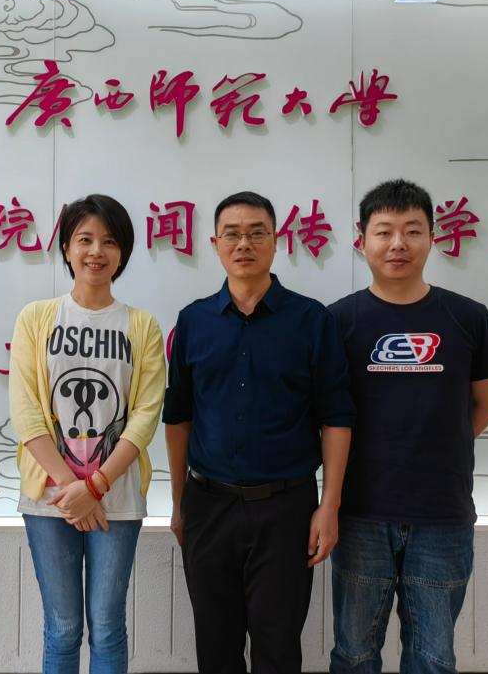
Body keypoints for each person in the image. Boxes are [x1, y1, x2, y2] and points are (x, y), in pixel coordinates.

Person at [163, 190, 354, 674]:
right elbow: (178, 416)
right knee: (216, 649)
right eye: (232, 234)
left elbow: (336, 418)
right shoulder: (193, 321)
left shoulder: (311, 320)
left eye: (256, 233)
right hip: (209, 506)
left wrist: (328, 506)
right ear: (215, 244)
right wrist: (179, 502)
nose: (243, 243)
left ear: (276, 241)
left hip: (286, 510)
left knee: (278, 649)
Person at [327, 179, 488, 674]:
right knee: (354, 653)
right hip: (360, 512)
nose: (398, 244)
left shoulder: (468, 318)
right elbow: (326, 416)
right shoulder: (338, 322)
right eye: (384, 231)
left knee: (433, 657)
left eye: (412, 230)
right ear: (361, 239)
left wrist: (436, 445)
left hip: (442, 514)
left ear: (432, 237)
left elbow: (487, 404)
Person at [8, 194, 167, 674]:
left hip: (116, 497)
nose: (96, 251)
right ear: (67, 247)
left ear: (123, 253)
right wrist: (70, 488)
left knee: (107, 625)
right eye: (85, 239)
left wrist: (94, 486)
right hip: (50, 499)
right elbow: (27, 412)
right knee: (61, 627)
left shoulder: (142, 325)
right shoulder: (36, 317)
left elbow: (145, 415)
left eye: (109, 241)